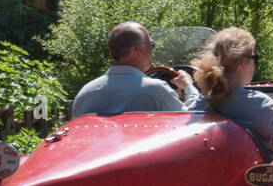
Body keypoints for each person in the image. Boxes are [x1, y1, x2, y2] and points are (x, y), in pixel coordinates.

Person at [191, 27, 273, 155]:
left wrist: (188, 88)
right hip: (251, 172)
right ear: (244, 62)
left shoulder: (202, 101)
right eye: (254, 58)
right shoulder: (260, 104)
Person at [70, 22, 199, 117]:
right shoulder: (155, 90)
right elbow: (189, 119)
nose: (152, 52)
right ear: (138, 49)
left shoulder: (85, 94)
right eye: (151, 45)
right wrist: (188, 87)